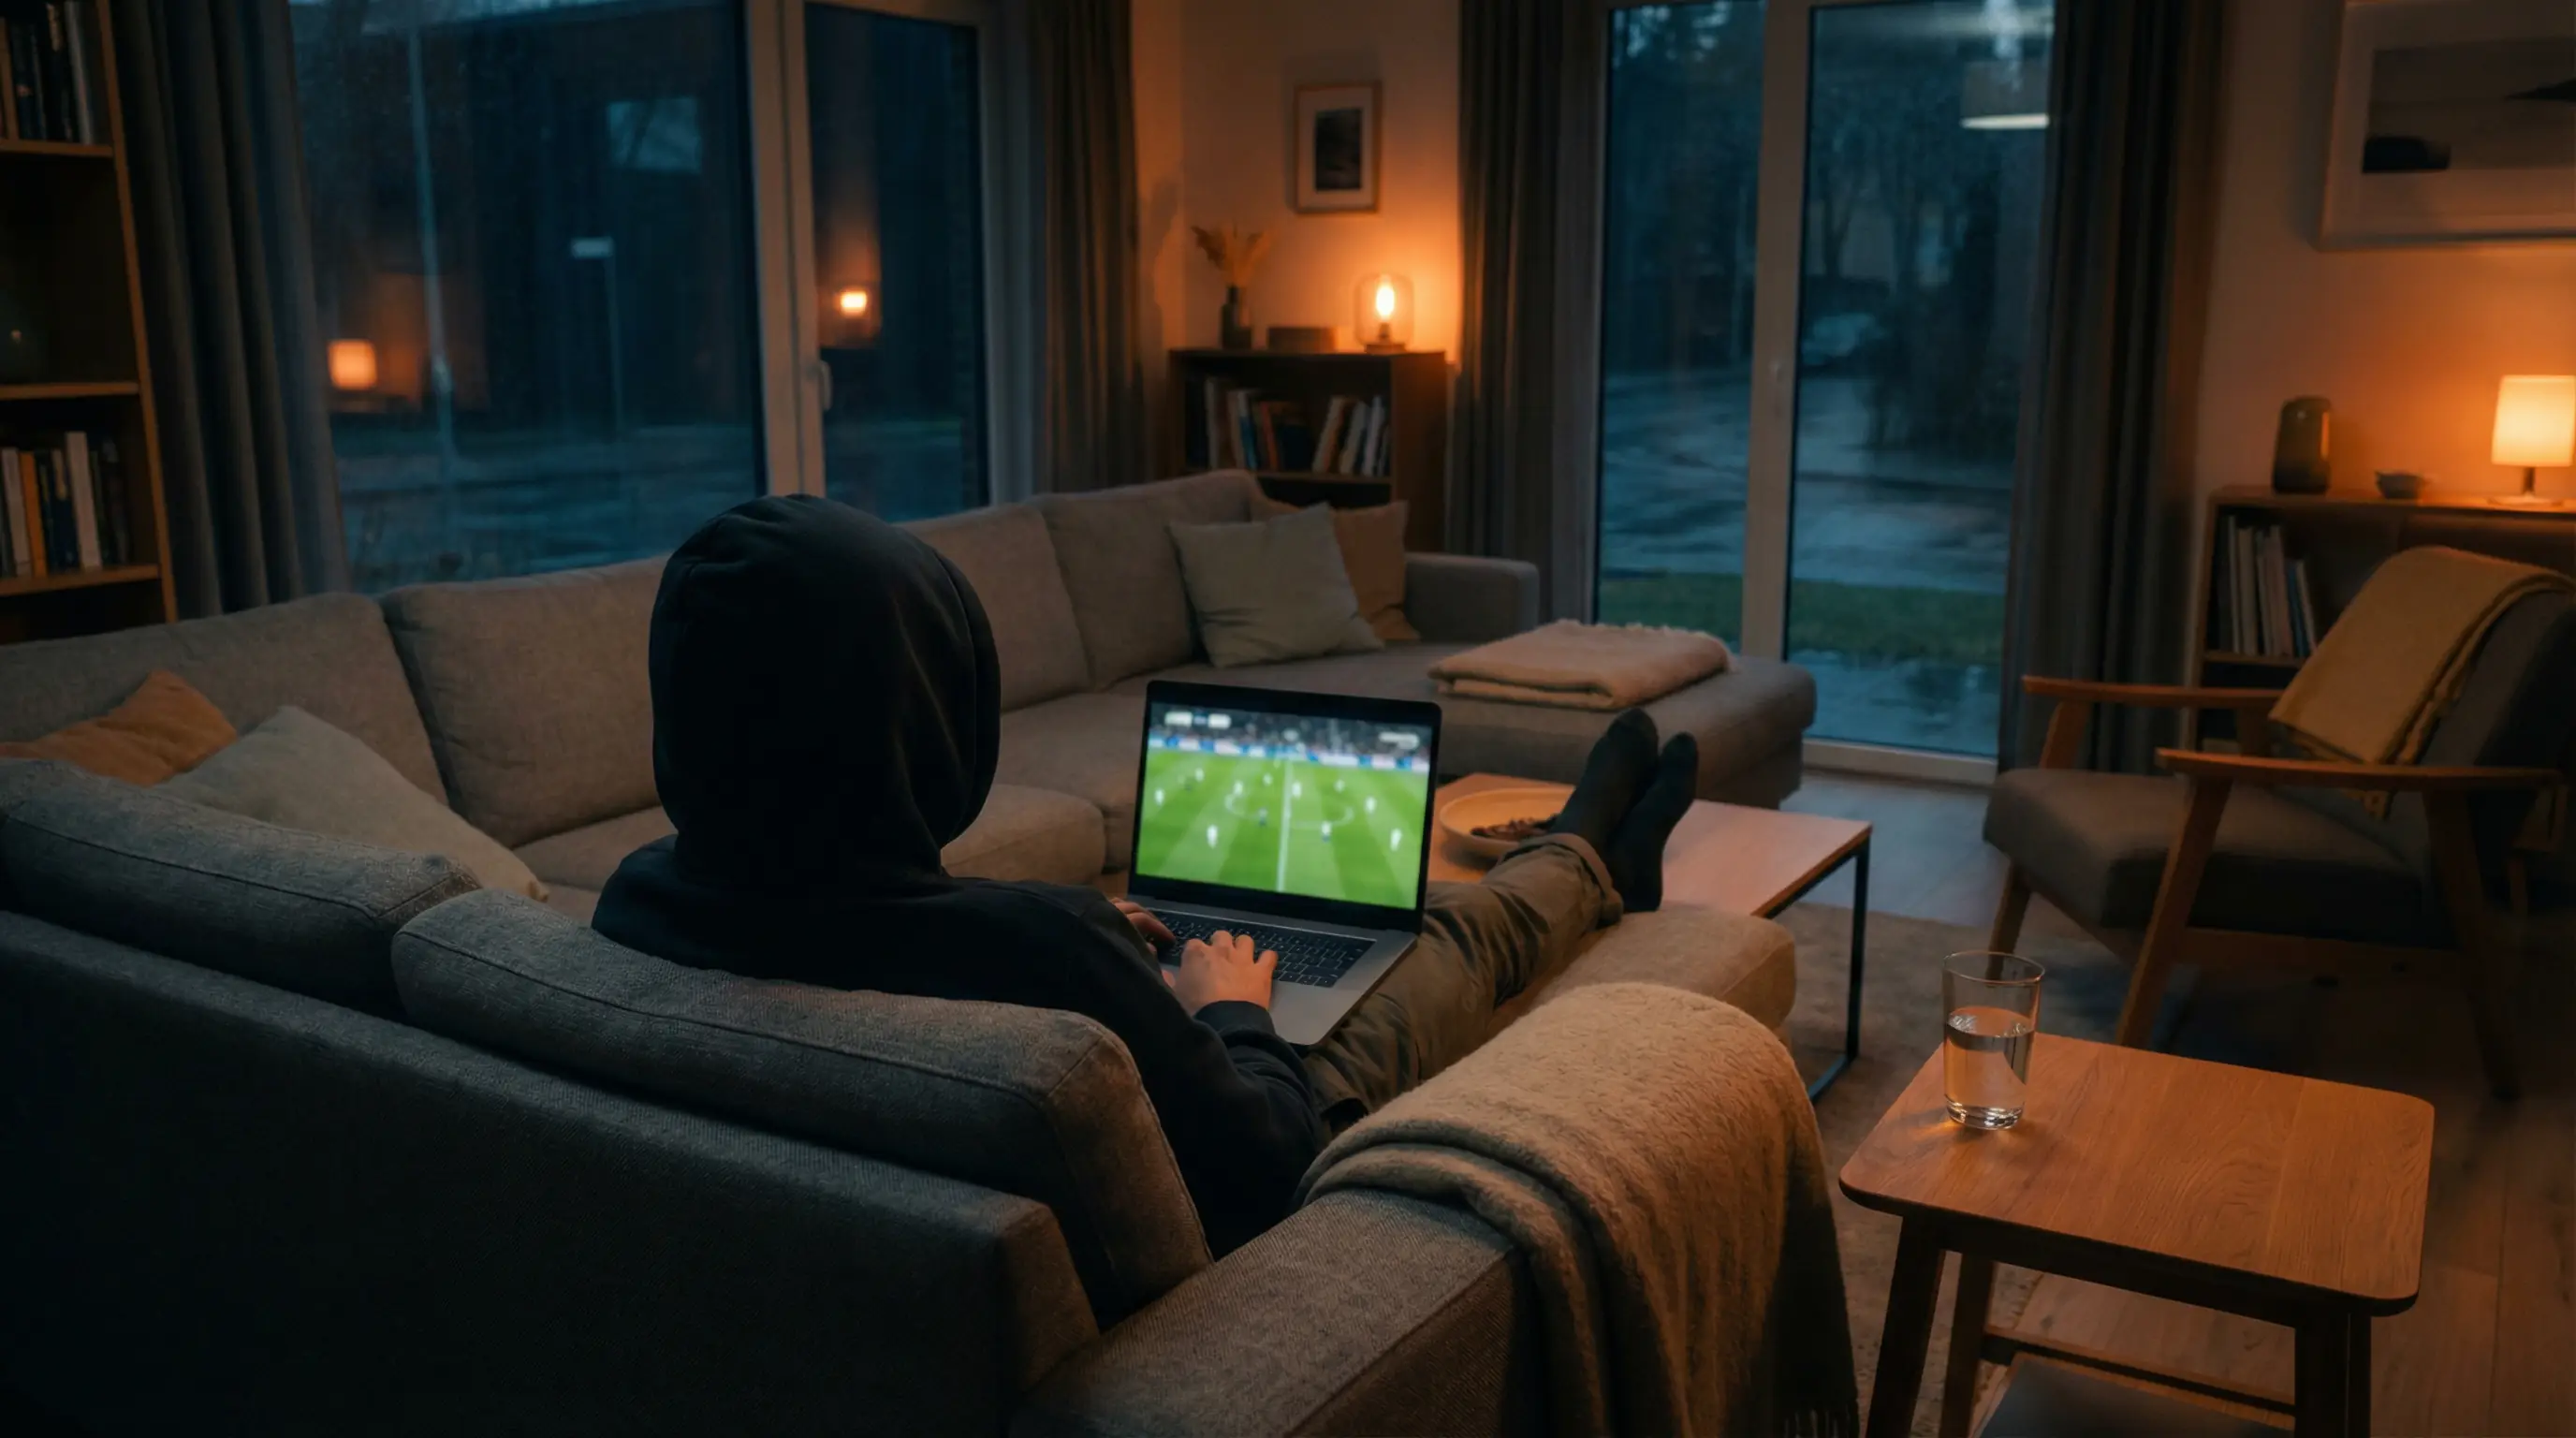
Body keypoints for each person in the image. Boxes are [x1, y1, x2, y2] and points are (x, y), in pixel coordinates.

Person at [593, 497, 1699, 1255]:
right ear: (926, 720)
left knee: (1388, 913)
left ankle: (1580, 847)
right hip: (1255, 1137)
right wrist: (1234, 1012)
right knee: (1445, 938)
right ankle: (1589, 852)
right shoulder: (1045, 947)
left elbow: (862, 931)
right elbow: (1271, 1172)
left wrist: (1085, 938)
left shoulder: (635, 901)